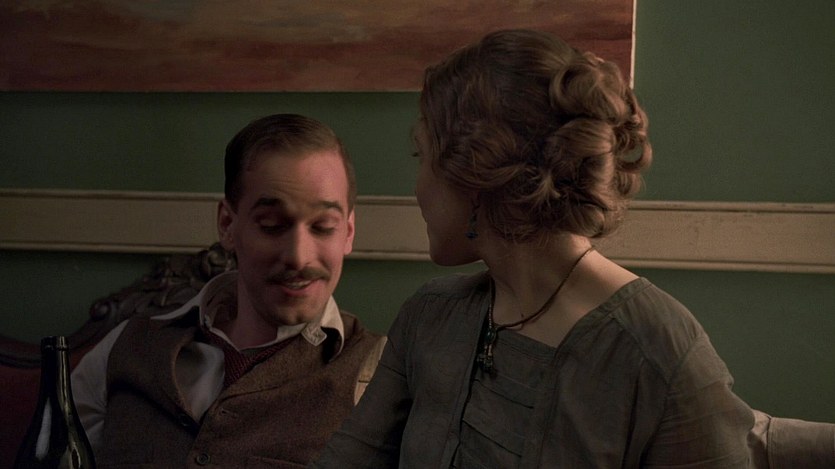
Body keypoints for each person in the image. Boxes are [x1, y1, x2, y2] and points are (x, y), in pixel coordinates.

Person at [312, 30, 835, 468]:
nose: (418, 188)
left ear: (476, 173)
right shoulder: (430, 316)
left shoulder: (654, 349)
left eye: (422, 157)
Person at [71, 114, 385, 467]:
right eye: (272, 226)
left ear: (348, 232)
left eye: (323, 226)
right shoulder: (122, 349)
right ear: (227, 225)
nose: (299, 256)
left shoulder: (383, 376)